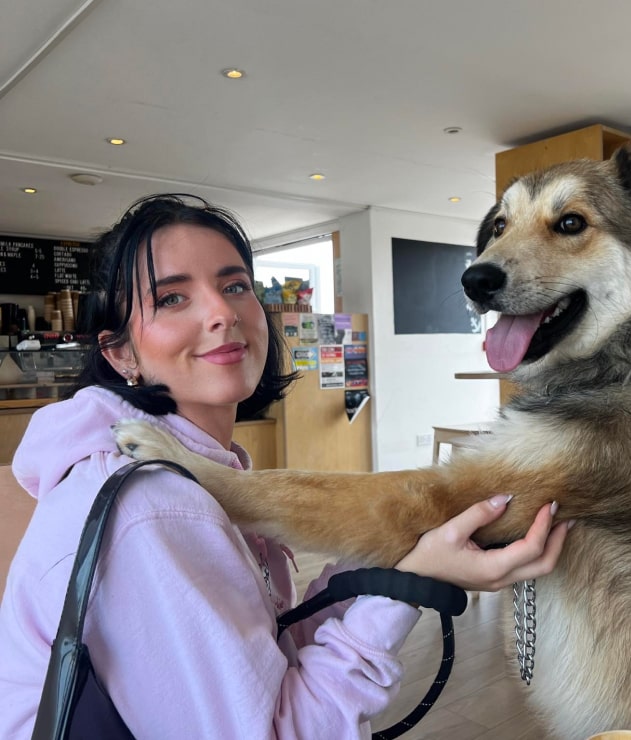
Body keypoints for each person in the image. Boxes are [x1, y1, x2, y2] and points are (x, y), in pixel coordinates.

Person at [0, 194, 570, 739]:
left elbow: (270, 651)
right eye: (173, 298)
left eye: (235, 285)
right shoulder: (152, 508)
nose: (222, 311)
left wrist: (400, 548)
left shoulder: (197, 467)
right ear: (119, 351)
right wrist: (412, 583)